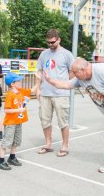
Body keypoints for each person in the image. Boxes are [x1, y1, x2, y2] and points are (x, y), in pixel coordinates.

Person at [44, 58, 104, 184]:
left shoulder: (103, 71)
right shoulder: (81, 78)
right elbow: (66, 85)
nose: (74, 75)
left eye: (75, 72)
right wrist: (49, 80)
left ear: (84, 69)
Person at [35, 29, 74, 157]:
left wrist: (66, 85)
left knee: (63, 121)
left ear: (59, 39)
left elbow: (72, 72)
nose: (50, 45)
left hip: (61, 94)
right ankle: (48, 144)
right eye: (48, 43)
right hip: (45, 93)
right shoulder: (44, 54)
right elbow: (39, 71)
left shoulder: (67, 54)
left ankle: (65, 146)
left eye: (52, 42)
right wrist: (37, 87)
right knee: (44, 120)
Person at [0, 72, 39, 170]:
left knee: (16, 141)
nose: (20, 82)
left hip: (18, 122)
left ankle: (12, 157)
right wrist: (19, 110)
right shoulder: (10, 95)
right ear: (12, 84)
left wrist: (38, 80)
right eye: (18, 81)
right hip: (10, 123)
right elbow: (6, 110)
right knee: (7, 142)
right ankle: (1, 161)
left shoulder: (20, 91)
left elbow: (32, 90)